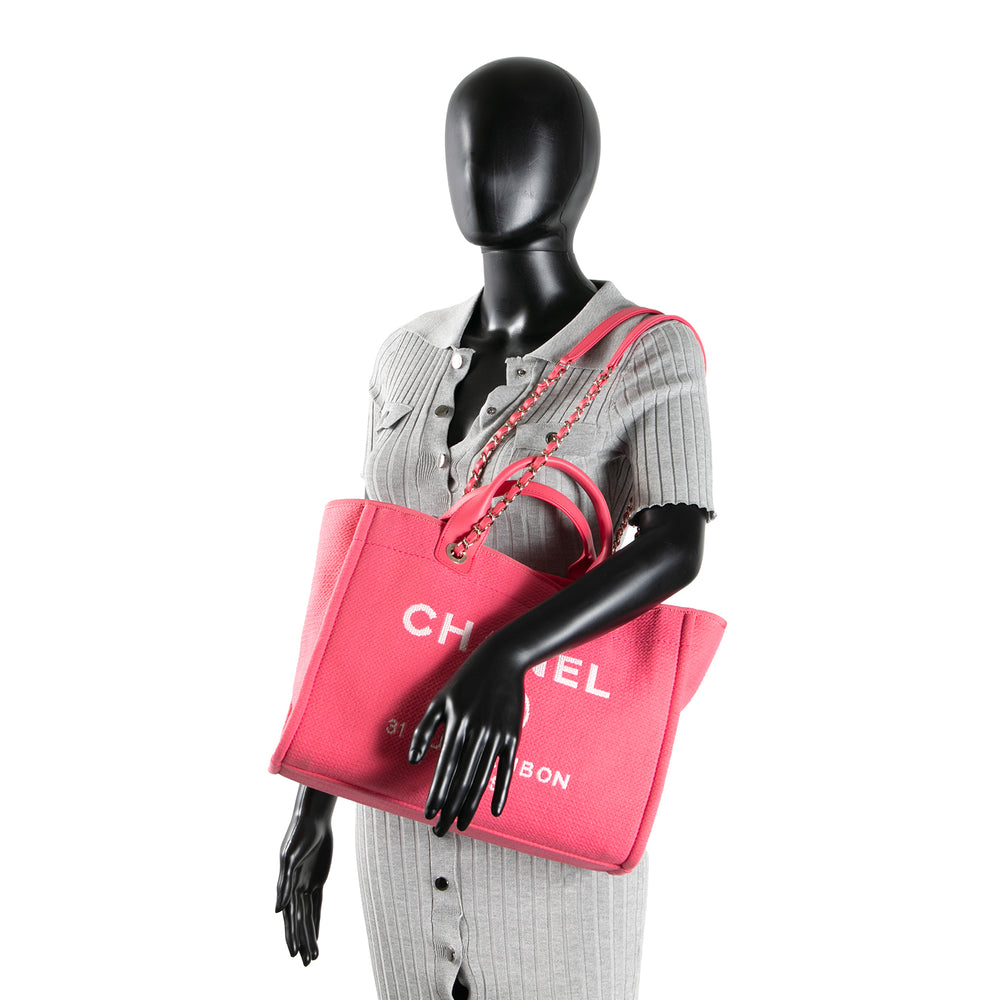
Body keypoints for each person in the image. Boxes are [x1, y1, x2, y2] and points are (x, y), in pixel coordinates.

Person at [275, 56, 714, 1000]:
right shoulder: (404, 355)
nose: (480, 171)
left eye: (513, 149)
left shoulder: (648, 353)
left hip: (544, 792)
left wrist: (507, 654)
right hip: (394, 791)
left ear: (575, 172)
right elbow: (366, 582)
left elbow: (676, 544)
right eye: (465, 149)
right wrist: (315, 796)